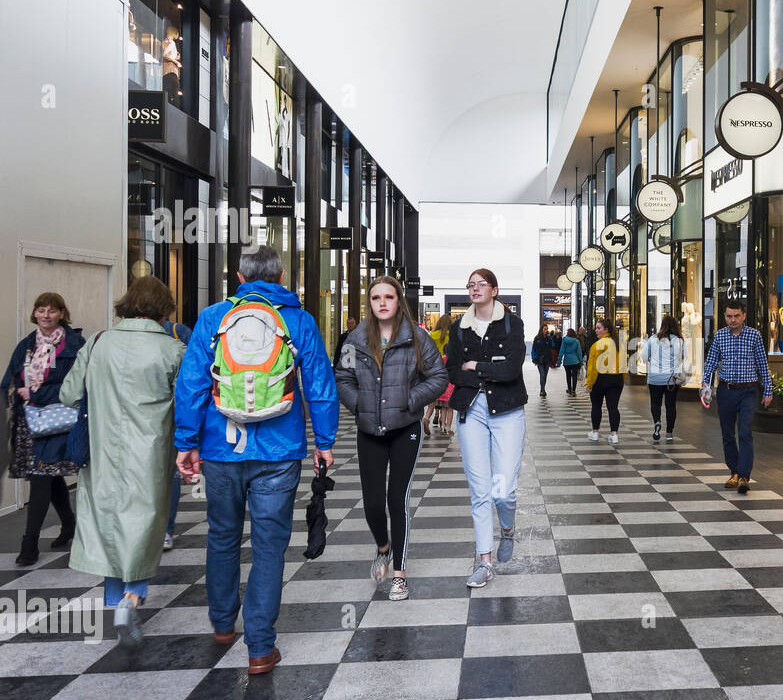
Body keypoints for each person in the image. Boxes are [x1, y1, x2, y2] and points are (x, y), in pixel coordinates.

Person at [174, 246, 338, 675]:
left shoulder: (213, 319)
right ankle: (260, 647)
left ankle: (223, 624)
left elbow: (191, 384)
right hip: (279, 450)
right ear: (282, 275)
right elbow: (319, 382)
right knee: (269, 545)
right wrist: (324, 440)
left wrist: (185, 441)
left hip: (220, 448)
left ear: (238, 276)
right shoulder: (298, 320)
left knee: (223, 535)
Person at [60, 277, 185, 647]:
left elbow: (69, 394)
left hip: (101, 452)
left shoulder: (98, 342)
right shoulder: (172, 350)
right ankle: (132, 597)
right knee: (145, 526)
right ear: (164, 309)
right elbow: (186, 407)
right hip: (150, 452)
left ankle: (114, 602)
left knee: (109, 526)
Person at [336, 276, 447, 602]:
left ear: (399, 300)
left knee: (396, 499)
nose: (382, 302)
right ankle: (383, 547)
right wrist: (358, 403)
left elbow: (438, 376)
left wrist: (413, 400)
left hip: (406, 430)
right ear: (369, 303)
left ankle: (399, 573)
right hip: (369, 430)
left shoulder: (416, 338)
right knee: (372, 502)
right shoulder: (355, 339)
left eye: (389, 296)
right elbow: (342, 376)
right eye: (375, 297)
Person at [443, 269, 526, 589]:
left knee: (503, 490)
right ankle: (484, 561)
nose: (474, 289)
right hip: (471, 414)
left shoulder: (511, 324)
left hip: (507, 411)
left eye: (481, 284)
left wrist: (476, 367)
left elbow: (510, 370)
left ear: (494, 290)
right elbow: (452, 370)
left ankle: (507, 530)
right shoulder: (460, 328)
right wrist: (479, 372)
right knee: (480, 491)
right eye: (470, 285)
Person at [3, 292, 85, 566]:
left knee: (41, 476)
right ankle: (70, 525)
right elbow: (10, 379)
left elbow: (75, 386)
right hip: (29, 421)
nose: (45, 315)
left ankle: (29, 546)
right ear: (35, 314)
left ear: (62, 313)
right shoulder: (27, 344)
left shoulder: (74, 345)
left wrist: (36, 393)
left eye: (51, 310)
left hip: (58, 421)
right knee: (50, 476)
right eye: (41, 310)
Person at [701, 299, 773, 495]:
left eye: (736, 316)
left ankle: (744, 477)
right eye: (729, 316)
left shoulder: (754, 336)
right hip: (726, 391)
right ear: (725, 316)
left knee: (744, 432)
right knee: (727, 434)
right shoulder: (720, 336)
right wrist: (705, 385)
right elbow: (710, 363)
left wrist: (768, 390)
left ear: (743, 316)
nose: (732, 320)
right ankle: (733, 472)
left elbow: (762, 364)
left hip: (748, 391)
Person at [162, 318, 193, 550]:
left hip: (172, 418)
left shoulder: (178, 333)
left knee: (169, 473)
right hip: (171, 417)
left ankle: (165, 528)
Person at [641, 314, 687, 443]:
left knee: (655, 403)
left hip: (655, 377)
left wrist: (646, 344)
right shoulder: (679, 341)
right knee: (670, 405)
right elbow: (685, 358)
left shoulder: (652, 339)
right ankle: (669, 432)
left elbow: (644, 357)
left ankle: (657, 422)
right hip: (672, 379)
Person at [586, 318, 623, 445]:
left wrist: (589, 383)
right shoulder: (618, 344)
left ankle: (595, 433)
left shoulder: (597, 345)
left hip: (601, 379)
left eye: (598, 328)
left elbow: (592, 367)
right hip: (617, 379)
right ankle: (614, 435)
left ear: (606, 330)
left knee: (596, 405)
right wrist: (621, 381)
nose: (596, 330)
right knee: (613, 407)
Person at [531, 326, 553, 397]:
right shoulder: (537, 338)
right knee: (542, 375)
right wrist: (534, 358)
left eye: (547, 329)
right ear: (541, 330)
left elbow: (552, 346)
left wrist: (550, 338)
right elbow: (533, 349)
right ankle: (543, 391)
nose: (546, 330)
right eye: (545, 329)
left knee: (545, 376)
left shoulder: (548, 338)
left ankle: (542, 389)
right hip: (539, 360)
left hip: (547, 359)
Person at [561, 328, 583, 396]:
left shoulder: (565, 340)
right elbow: (579, 352)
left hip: (567, 361)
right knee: (574, 376)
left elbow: (562, 351)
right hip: (575, 361)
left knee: (568, 375)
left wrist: (559, 361)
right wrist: (581, 361)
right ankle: (573, 391)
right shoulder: (576, 341)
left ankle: (569, 389)